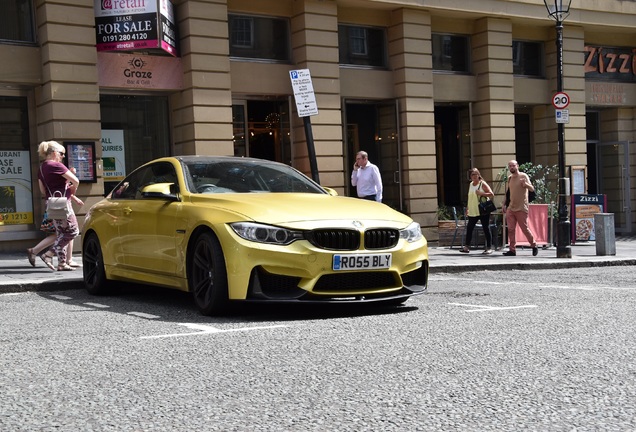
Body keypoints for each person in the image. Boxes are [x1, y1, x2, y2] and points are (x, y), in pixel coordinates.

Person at [35, 141, 81, 271]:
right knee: (73, 231)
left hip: (51, 203)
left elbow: (43, 191)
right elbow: (76, 181)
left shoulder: (42, 168)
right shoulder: (56, 165)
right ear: (54, 153)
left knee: (61, 232)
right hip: (63, 203)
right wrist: (73, 188)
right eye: (61, 154)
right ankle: (48, 254)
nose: (63, 157)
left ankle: (62, 263)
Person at [502, 160, 538, 257]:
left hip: (522, 207)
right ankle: (512, 250)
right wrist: (504, 204)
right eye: (510, 166)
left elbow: (532, 189)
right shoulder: (509, 178)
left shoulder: (523, 176)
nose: (511, 167)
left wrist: (525, 184)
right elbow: (508, 193)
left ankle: (534, 245)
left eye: (513, 165)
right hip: (511, 207)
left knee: (524, 228)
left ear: (517, 166)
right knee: (510, 229)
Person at [459, 168, 494, 254]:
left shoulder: (482, 184)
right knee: (470, 228)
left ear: (479, 175)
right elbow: (470, 198)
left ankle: (489, 247)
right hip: (473, 210)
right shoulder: (471, 184)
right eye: (472, 175)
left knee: (486, 228)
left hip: (482, 210)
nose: (474, 176)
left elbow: (491, 194)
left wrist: (482, 193)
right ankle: (466, 247)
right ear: (470, 176)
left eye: (476, 174)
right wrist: (468, 208)